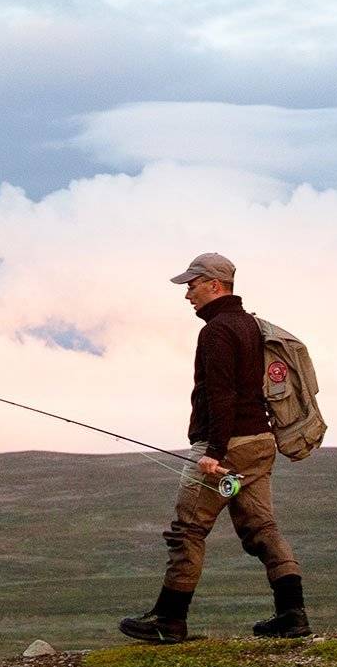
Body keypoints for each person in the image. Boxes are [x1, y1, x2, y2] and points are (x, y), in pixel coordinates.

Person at [118, 252, 310, 643]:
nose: (187, 293)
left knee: (188, 529)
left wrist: (214, 453)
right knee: (263, 528)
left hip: (228, 445)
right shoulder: (253, 327)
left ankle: (170, 620)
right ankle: (293, 615)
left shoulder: (217, 331)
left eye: (192, 284)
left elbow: (222, 396)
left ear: (214, 285)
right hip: (260, 442)